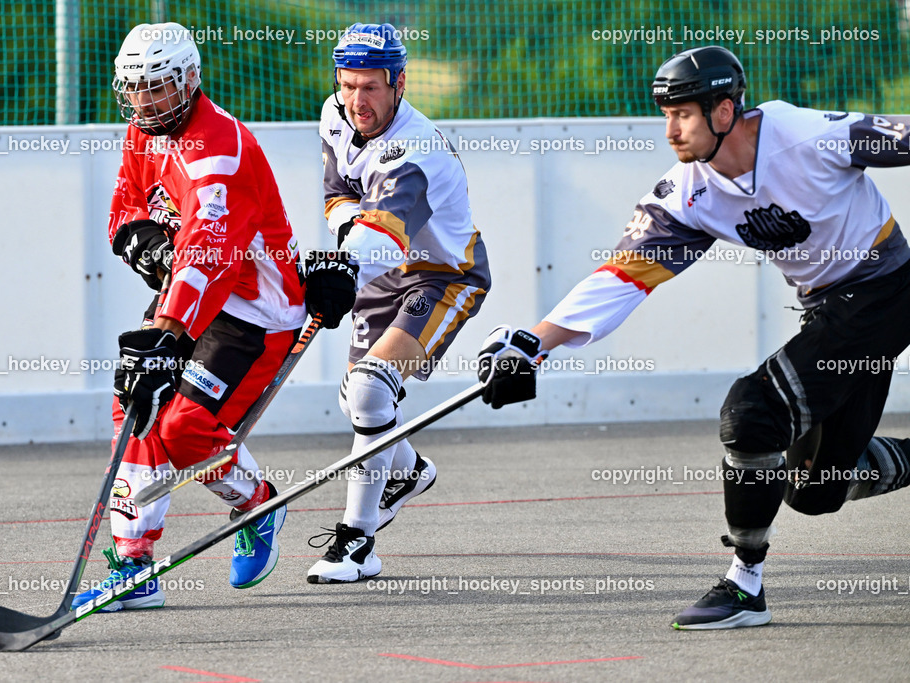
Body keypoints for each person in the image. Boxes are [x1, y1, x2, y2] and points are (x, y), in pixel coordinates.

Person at [477, 45, 910, 629]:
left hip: (887, 290)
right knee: (815, 489)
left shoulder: (807, 137)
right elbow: (624, 275)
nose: (671, 128)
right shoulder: (687, 195)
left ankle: (744, 586)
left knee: (752, 412)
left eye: (683, 112)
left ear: (725, 111)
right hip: (830, 314)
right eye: (665, 114)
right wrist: (533, 342)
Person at [71, 22, 310, 611]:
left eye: (158, 86)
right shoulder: (144, 129)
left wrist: (169, 329)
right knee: (137, 401)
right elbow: (127, 201)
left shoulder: (220, 153)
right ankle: (134, 565)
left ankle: (256, 502)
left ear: (190, 80)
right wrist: (140, 238)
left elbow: (210, 251)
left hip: (256, 307)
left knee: (181, 429)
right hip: (194, 288)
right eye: (135, 88)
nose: (146, 101)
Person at [304, 23, 491, 583]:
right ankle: (406, 471)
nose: (358, 101)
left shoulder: (416, 151)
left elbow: (385, 229)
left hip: (442, 277)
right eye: (349, 85)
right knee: (362, 407)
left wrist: (345, 260)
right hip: (379, 272)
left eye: (372, 88)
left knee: (369, 389)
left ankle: (357, 544)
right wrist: (346, 245)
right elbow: (339, 195)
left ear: (399, 83)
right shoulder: (333, 115)